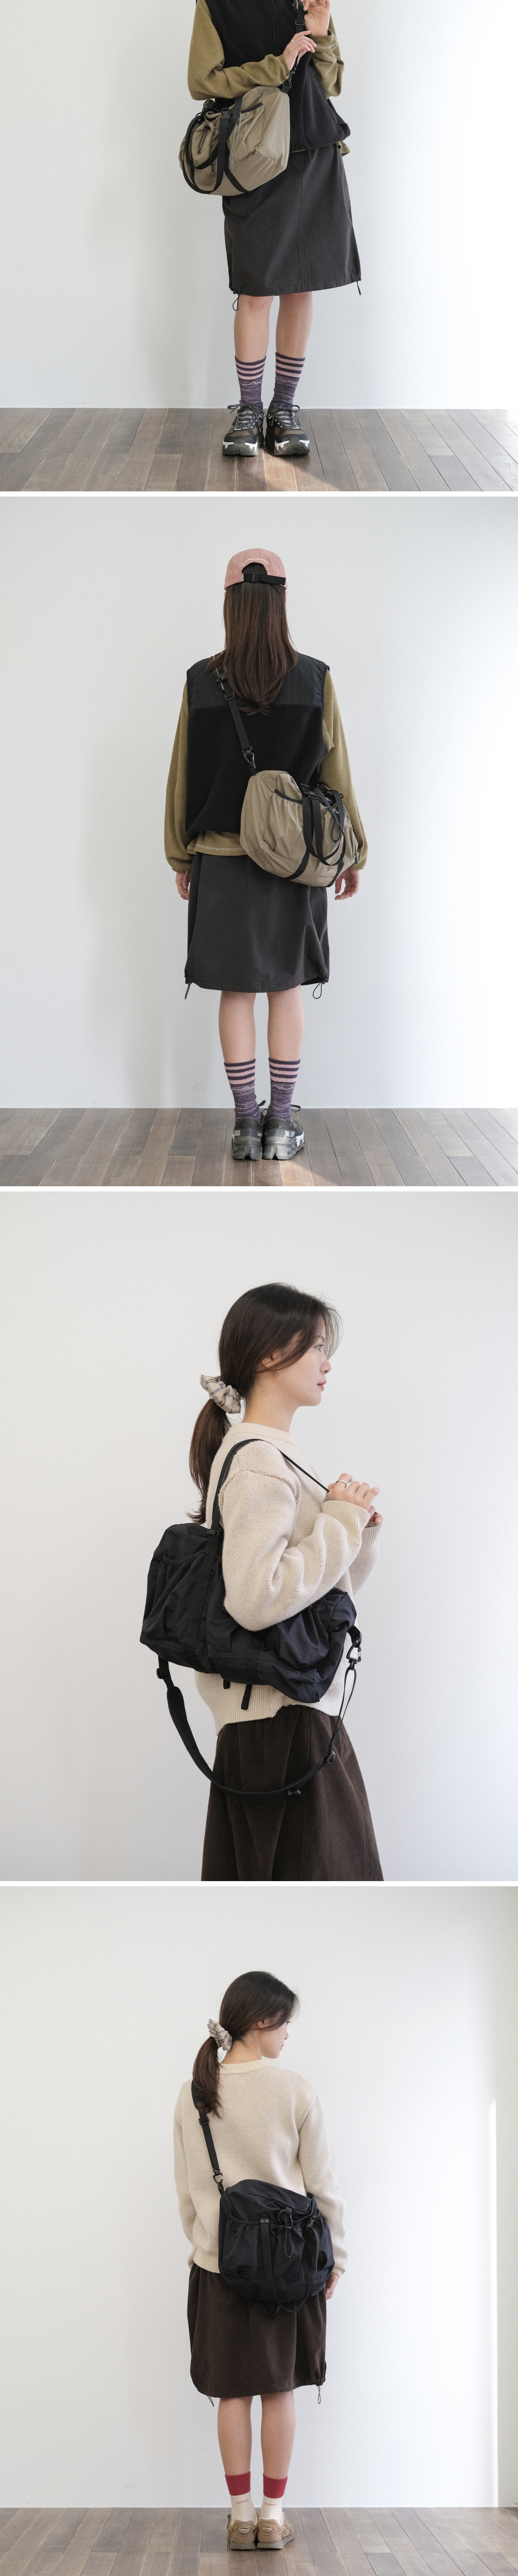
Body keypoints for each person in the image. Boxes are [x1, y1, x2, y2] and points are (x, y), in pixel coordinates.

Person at [164, 543, 367, 1161]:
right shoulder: (315, 678)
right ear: (281, 602)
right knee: (284, 989)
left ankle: (245, 1125)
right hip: (295, 863)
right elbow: (337, 774)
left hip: (221, 861)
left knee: (236, 992)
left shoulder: (200, 680)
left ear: (229, 604)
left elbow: (182, 776)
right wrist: (353, 852)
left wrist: (181, 855)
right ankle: (281, 1124)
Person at [185, 1279, 382, 1881]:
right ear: (270, 1354)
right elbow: (257, 1598)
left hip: (285, 1720)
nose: (327, 1362)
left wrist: (355, 1530)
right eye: (317, 1345)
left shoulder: (272, 1453)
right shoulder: (260, 1462)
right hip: (284, 1725)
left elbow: (319, 1595)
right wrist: (339, 1521)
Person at [188, 0, 361, 463]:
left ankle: (284, 409)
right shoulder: (216, 0)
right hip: (255, 161)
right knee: (257, 288)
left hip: (314, 151)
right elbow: (203, 81)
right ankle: (248, 410)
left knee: (302, 284)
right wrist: (276, 63)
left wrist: (321, 35)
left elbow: (331, 82)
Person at [174, 1966, 347, 2542]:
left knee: (233, 2392)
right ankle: (274, 2516)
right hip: (290, 2270)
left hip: (220, 2265)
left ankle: (241, 2514)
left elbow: (187, 2192)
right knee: (278, 2389)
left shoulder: (195, 2092)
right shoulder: (295, 2089)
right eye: (285, 2022)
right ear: (261, 2020)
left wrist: (207, 2246)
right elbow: (324, 2186)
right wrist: (337, 2257)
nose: (288, 2034)